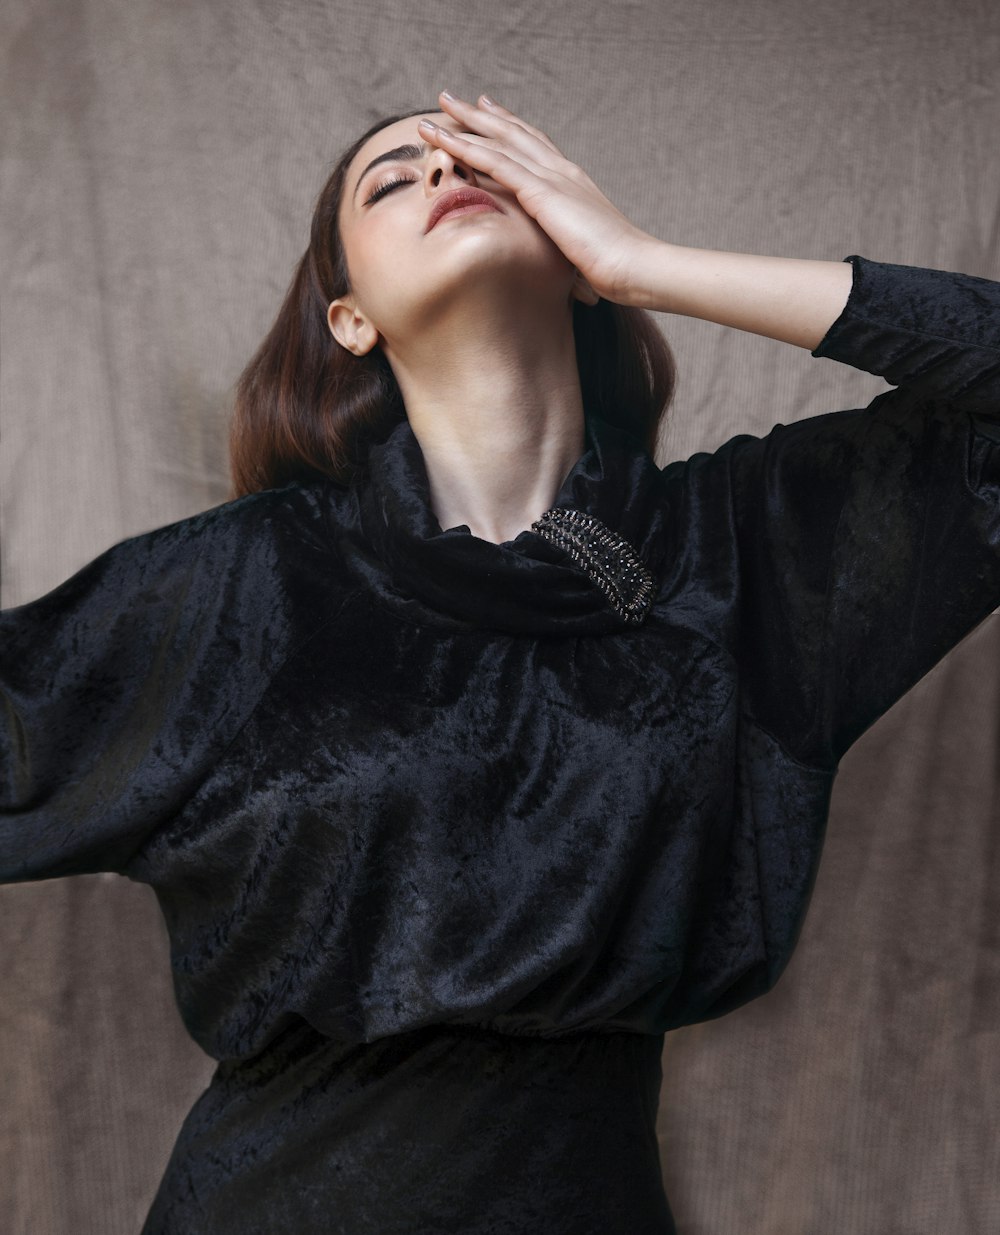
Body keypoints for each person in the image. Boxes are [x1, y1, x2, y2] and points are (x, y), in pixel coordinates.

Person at [2, 89, 999, 1234]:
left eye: (483, 161)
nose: (439, 174)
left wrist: (649, 263)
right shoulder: (242, 587)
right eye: (390, 179)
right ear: (349, 320)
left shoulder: (742, 560)